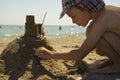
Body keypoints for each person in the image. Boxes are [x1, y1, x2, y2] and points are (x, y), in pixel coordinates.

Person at [35, 0, 120, 75]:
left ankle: (118, 65)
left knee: (100, 36)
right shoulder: (103, 15)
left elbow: (81, 53)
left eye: (73, 16)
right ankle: (115, 60)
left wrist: (50, 54)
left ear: (84, 8)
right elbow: (87, 47)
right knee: (91, 31)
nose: (73, 21)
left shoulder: (104, 18)